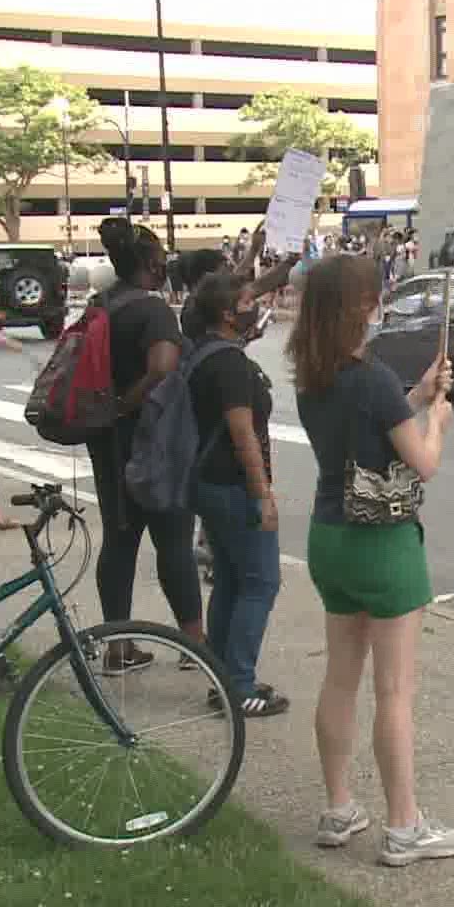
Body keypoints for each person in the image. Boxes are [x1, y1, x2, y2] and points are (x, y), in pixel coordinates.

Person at [291, 254, 454, 865]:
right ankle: (403, 825)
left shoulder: (315, 375)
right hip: (383, 542)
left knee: (341, 676)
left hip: (329, 537)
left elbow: (371, 423)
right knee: (394, 690)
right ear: (360, 308)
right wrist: (437, 418)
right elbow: (422, 462)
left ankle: (339, 809)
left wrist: (415, 394)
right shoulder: (372, 379)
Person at [89, 216, 204, 673]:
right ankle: (194, 645)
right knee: (173, 541)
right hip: (152, 439)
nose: (165, 268)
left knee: (118, 541)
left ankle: (118, 647)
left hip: (108, 443)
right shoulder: (153, 310)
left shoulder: (101, 303)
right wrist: (126, 403)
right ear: (149, 265)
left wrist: (112, 409)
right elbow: (162, 365)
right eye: (162, 261)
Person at [187, 273, 288, 717]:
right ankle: (240, 685)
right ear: (228, 314)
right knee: (261, 581)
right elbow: (242, 432)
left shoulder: (207, 352)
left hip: (208, 482)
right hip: (231, 484)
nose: (255, 305)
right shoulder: (229, 365)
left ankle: (221, 679)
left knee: (230, 578)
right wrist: (262, 492)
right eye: (248, 301)